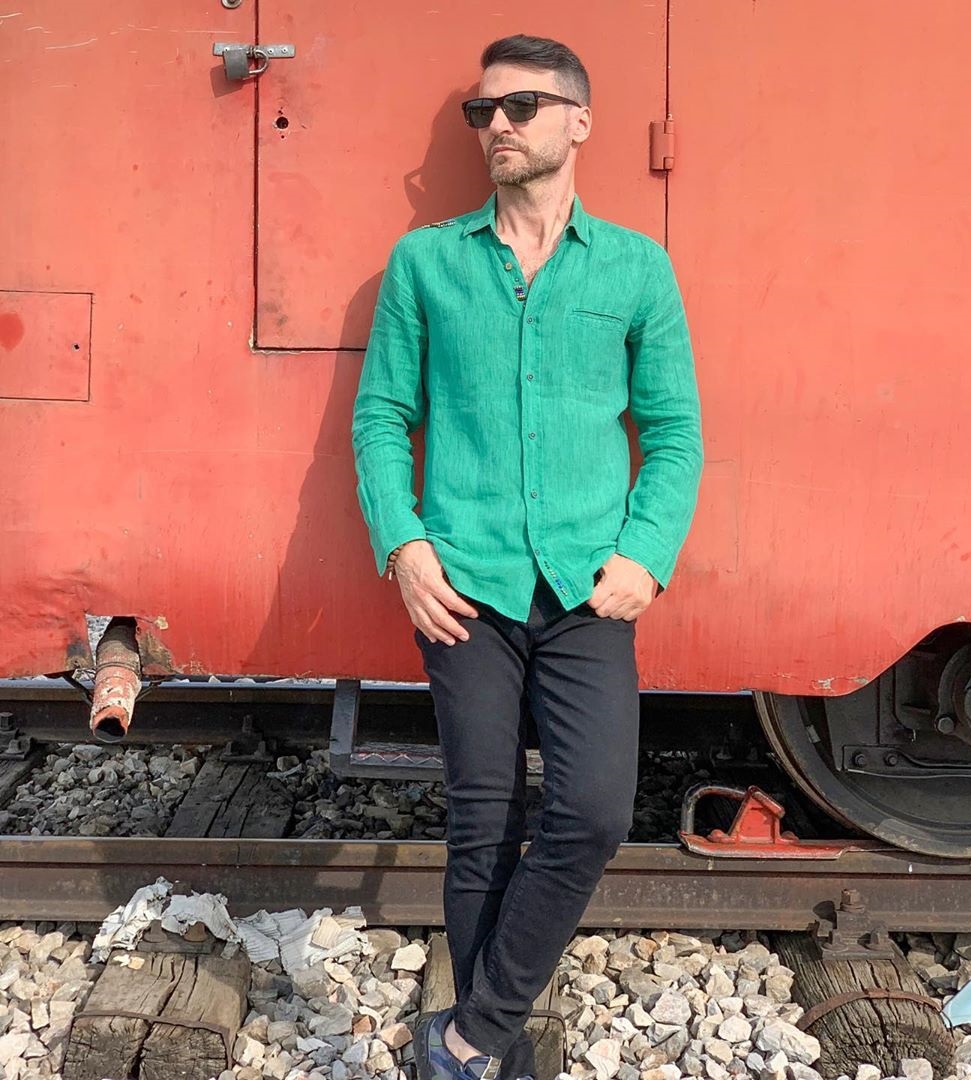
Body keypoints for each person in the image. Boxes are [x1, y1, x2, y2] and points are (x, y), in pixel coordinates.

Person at [352, 33, 703, 1080]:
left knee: (593, 811)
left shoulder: (636, 267)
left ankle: (471, 1031)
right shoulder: (426, 263)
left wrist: (645, 554)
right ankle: (480, 1054)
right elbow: (381, 417)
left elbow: (675, 433)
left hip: (590, 588)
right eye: (482, 111)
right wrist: (404, 545)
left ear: (579, 122)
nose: (496, 125)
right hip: (465, 585)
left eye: (521, 107)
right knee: (483, 824)